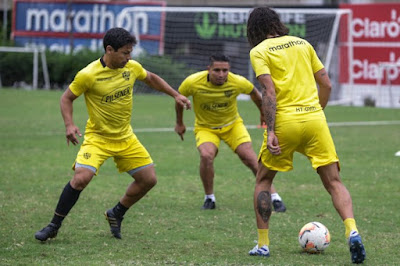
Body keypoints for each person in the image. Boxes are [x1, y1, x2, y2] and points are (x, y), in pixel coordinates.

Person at [34, 27, 191, 241]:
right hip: (97, 138)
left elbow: (151, 78)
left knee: (149, 179)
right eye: (125, 53)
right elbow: (66, 98)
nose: (129, 57)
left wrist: (175, 95)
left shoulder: (132, 67)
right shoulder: (88, 74)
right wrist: (69, 125)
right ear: (109, 49)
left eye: (130, 53)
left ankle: (116, 213)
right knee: (81, 178)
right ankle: (54, 225)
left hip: (125, 137)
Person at [246, 7, 366, 264]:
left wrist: (271, 130)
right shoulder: (303, 43)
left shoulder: (259, 51)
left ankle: (263, 245)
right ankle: (352, 230)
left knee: (263, 180)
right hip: (314, 120)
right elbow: (327, 84)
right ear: (277, 23)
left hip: (286, 122)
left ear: (253, 30)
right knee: (334, 181)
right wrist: (317, 112)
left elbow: (269, 91)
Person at [175, 54, 286, 212]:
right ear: (209, 69)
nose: (221, 74)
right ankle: (209, 198)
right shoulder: (192, 82)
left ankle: (274, 196)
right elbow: (179, 99)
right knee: (207, 156)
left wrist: (262, 113)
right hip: (206, 128)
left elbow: (254, 93)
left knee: (250, 158)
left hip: (233, 126)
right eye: (217, 70)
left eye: (225, 70)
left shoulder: (237, 81)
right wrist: (179, 123)